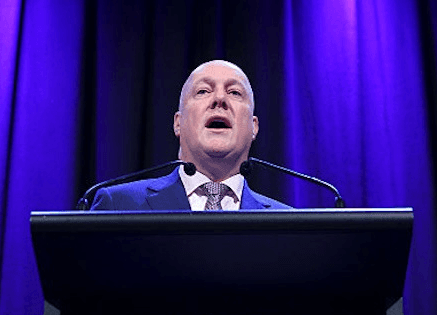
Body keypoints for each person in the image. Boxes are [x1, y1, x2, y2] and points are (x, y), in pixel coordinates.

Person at [90, 60, 290, 210]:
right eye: (203, 91)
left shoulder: (288, 224)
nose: (219, 98)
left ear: (253, 127)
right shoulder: (118, 204)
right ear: (178, 123)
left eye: (235, 93)